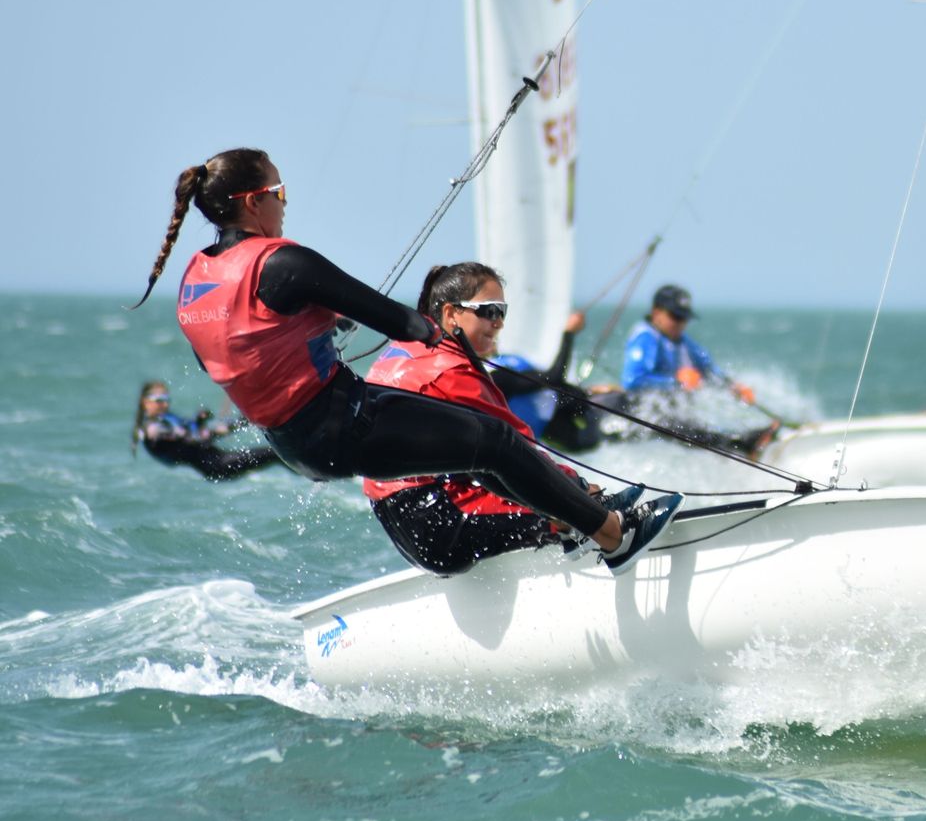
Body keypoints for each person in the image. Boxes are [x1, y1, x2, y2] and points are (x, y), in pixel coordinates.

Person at [133, 147, 679, 574]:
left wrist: (312, 325)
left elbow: (227, 357)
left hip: (291, 442)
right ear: (253, 201)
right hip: (342, 422)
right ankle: (615, 535)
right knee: (495, 443)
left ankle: (576, 518)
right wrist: (427, 327)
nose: (284, 203)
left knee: (479, 451)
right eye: (279, 190)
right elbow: (400, 322)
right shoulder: (282, 262)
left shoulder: (194, 279)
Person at [362, 263, 640, 574]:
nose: (499, 323)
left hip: (405, 518)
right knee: (554, 500)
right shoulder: (451, 371)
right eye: (489, 311)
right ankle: (608, 537)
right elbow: (518, 454)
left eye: (502, 312)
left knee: (538, 489)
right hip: (441, 523)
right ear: (452, 313)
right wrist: (579, 489)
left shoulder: (406, 349)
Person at [604, 284, 776, 455]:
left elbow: (708, 371)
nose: (680, 323)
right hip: (644, 414)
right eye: (675, 316)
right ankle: (742, 444)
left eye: (684, 318)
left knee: (695, 421)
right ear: (656, 312)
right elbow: (631, 381)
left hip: (671, 411)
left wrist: (732, 387)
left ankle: (743, 443)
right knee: (678, 425)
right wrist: (677, 382)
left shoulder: (684, 341)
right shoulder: (645, 337)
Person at [489, 310, 606, 452]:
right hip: (565, 430)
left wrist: (588, 391)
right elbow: (553, 376)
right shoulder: (495, 376)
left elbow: (547, 383)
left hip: (574, 408)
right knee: (612, 427)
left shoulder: (505, 361)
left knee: (616, 402)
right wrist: (569, 333)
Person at [132, 380, 280, 481]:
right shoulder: (152, 430)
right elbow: (195, 438)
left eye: (166, 399)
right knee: (276, 453)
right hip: (217, 466)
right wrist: (203, 423)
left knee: (276, 452)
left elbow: (198, 433)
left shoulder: (167, 420)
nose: (164, 404)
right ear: (145, 402)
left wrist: (242, 421)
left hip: (217, 459)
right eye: (159, 399)